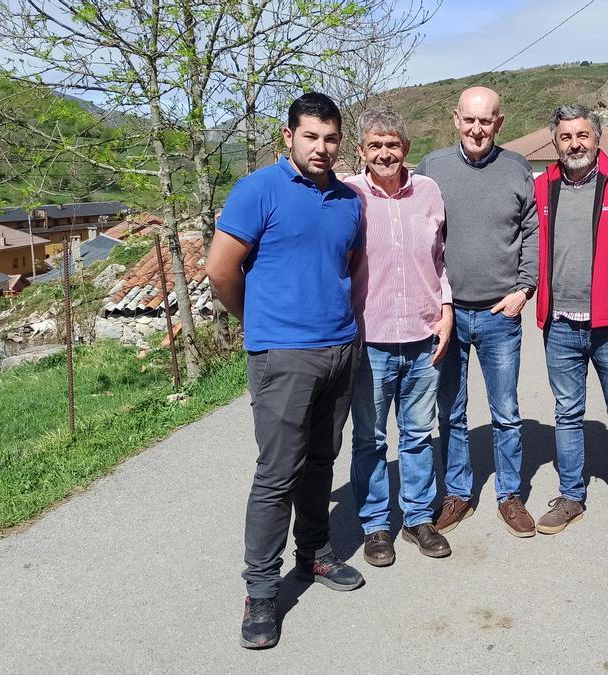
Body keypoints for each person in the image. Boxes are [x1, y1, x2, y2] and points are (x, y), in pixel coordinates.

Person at [207, 93, 365, 650]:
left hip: (340, 349)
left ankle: (315, 553)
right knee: (278, 473)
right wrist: (260, 320)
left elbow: (347, 266)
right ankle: (261, 593)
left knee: (322, 459)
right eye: (310, 137)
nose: (321, 148)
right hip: (283, 357)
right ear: (288, 136)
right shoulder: (258, 191)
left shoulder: (349, 199)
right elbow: (221, 270)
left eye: (330, 138)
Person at [414, 87, 540, 538]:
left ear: (499, 123)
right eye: (469, 120)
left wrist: (525, 289)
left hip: (499, 313)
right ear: (455, 119)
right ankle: (458, 493)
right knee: (452, 411)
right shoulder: (433, 168)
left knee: (506, 410)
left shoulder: (516, 168)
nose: (477, 129)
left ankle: (509, 494)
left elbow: (531, 230)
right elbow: (416, 233)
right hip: (448, 315)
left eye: (486, 121)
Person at [346, 107, 452, 567]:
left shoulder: (428, 191)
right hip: (370, 340)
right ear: (361, 151)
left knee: (417, 435)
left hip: (424, 335)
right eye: (375, 145)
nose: (385, 153)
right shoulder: (348, 195)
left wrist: (446, 307)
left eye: (393, 144)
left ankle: (417, 519)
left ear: (406, 148)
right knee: (370, 438)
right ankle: (375, 526)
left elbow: (441, 257)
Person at [531, 104, 608, 543]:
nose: (574, 143)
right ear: (555, 142)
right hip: (560, 322)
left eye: (582, 135)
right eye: (565, 137)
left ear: (598, 138)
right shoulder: (542, 187)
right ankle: (571, 495)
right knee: (567, 413)